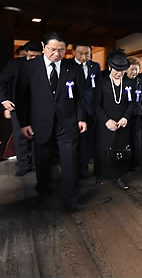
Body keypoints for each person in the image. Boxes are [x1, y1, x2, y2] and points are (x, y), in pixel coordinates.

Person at [15, 32, 87, 212]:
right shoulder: (29, 67)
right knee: (42, 160)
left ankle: (70, 198)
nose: (57, 54)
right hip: (40, 122)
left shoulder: (73, 68)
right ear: (43, 46)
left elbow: (80, 97)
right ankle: (44, 189)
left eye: (62, 50)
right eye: (52, 49)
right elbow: (21, 98)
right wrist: (24, 123)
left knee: (70, 161)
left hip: (67, 122)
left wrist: (81, 118)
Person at [94, 49, 139, 189]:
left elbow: (132, 103)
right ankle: (101, 174)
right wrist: (106, 121)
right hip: (105, 122)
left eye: (122, 71)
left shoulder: (129, 83)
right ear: (109, 67)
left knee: (122, 150)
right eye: (116, 71)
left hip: (123, 123)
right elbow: (96, 104)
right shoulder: (102, 82)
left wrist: (126, 117)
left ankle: (121, 177)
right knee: (103, 148)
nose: (119, 73)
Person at [0, 40, 42, 176]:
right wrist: (5, 101)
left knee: (39, 136)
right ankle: (24, 164)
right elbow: (2, 82)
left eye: (37, 56)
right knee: (20, 136)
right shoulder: (16, 64)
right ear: (26, 53)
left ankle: (37, 164)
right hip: (19, 106)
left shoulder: (44, 65)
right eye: (31, 56)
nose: (34, 59)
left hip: (39, 106)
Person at [72, 41, 101, 179]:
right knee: (72, 142)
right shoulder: (67, 66)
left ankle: (83, 169)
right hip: (72, 111)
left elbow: (98, 89)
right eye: (80, 53)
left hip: (90, 110)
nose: (84, 56)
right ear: (73, 52)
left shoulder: (94, 66)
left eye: (87, 54)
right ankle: (70, 168)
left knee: (86, 141)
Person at [126, 57, 142, 171]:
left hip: (137, 115)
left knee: (136, 141)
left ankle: (135, 164)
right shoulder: (122, 81)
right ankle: (124, 163)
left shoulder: (141, 82)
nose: (134, 72)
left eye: (136, 69)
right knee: (125, 140)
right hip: (124, 116)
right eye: (132, 69)